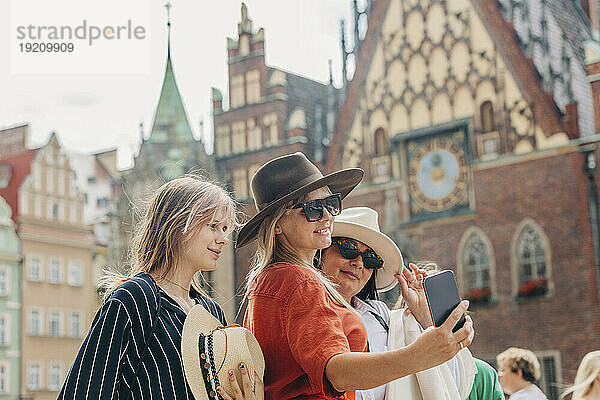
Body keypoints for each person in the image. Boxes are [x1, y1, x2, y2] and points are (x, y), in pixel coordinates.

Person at [239, 152, 474, 399]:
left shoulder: (267, 280)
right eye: (313, 209)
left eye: (330, 204)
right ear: (275, 224)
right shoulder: (299, 280)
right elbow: (337, 372)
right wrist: (417, 355)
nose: (328, 216)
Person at [59, 176, 263, 400]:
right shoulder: (135, 299)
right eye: (213, 226)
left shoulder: (211, 312)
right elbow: (86, 389)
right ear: (177, 226)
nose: (224, 238)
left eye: (225, 229)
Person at [318, 207, 475, 400]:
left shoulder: (382, 317)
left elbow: (449, 384)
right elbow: (336, 377)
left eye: (370, 259)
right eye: (348, 249)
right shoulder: (305, 306)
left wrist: (423, 318)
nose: (359, 263)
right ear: (320, 251)